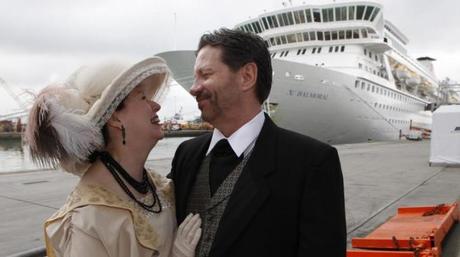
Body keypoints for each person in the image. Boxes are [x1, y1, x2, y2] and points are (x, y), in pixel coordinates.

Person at [168, 28, 346, 257]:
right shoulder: (186, 154)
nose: (193, 88)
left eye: (206, 75)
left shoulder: (311, 163)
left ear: (247, 76)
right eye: (195, 78)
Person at [26, 57, 202, 257]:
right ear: (115, 118)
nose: (156, 106)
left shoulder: (157, 186)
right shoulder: (89, 220)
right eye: (143, 98)